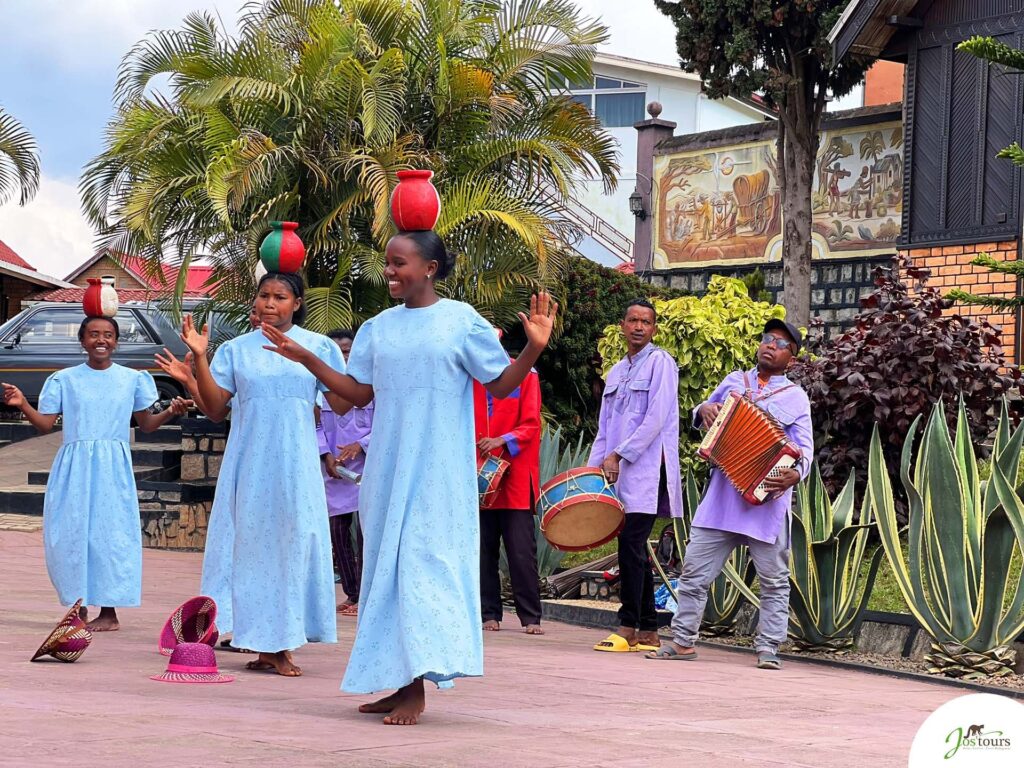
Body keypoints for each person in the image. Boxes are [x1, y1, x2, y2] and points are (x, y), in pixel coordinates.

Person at [261, 229, 557, 726]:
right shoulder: (378, 328)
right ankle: (400, 682)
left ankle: (417, 685)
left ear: (430, 268)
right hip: (388, 471)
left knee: (422, 569)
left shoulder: (460, 321)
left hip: (439, 471)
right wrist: (309, 359)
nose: (390, 271)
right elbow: (356, 395)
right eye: (388, 262)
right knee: (390, 573)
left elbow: (502, 386)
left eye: (399, 263)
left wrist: (532, 349)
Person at [176, 271, 346, 677]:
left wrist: (310, 359)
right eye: (264, 295)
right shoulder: (236, 350)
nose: (270, 303)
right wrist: (200, 356)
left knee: (294, 543)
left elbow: (340, 402)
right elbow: (216, 410)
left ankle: (283, 641)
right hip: (249, 462)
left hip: (297, 463)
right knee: (253, 549)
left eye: (281, 297)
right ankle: (266, 644)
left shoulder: (319, 346)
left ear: (297, 303)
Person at [2, 315, 189, 631]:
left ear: (116, 341)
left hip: (112, 468)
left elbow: (146, 425)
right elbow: (45, 425)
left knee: (110, 535)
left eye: (108, 335)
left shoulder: (131, 379)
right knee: (72, 533)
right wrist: (22, 404)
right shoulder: (65, 379)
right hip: (74, 466)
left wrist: (170, 411)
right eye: (93, 334)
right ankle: (77, 606)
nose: (101, 340)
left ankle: (109, 612)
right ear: (82, 341)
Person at [646, 319, 813, 670]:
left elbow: (805, 450)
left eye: (781, 343)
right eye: (767, 339)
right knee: (693, 573)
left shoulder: (796, 398)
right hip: (722, 498)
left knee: (774, 581)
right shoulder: (736, 381)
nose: (770, 345)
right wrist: (702, 410)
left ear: (792, 359)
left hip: (765, 504)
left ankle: (768, 647)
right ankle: (683, 642)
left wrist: (795, 474)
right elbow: (702, 412)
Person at [589, 299, 682, 654]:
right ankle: (649, 632)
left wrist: (620, 454)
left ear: (654, 328)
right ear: (623, 325)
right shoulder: (615, 372)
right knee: (634, 549)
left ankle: (627, 626)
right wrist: (595, 465)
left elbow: (656, 419)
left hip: (646, 470)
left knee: (630, 545)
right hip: (616, 472)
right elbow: (604, 426)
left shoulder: (661, 364)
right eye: (633, 320)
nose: (639, 327)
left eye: (646, 321)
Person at [474, 341, 543, 636]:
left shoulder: (527, 374)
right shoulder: (471, 377)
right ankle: (488, 613)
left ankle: (530, 617)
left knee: (521, 552)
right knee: (482, 550)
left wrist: (502, 440)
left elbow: (532, 425)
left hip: (514, 478)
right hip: (477, 474)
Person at [317, 328, 373, 617]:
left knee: (365, 532)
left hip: (366, 467)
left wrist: (361, 445)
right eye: (337, 351)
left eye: (348, 351)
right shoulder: (321, 386)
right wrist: (326, 455)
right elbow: (315, 425)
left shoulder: (370, 385)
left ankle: (365, 593)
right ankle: (351, 593)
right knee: (338, 531)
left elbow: (386, 424)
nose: (343, 356)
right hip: (334, 468)